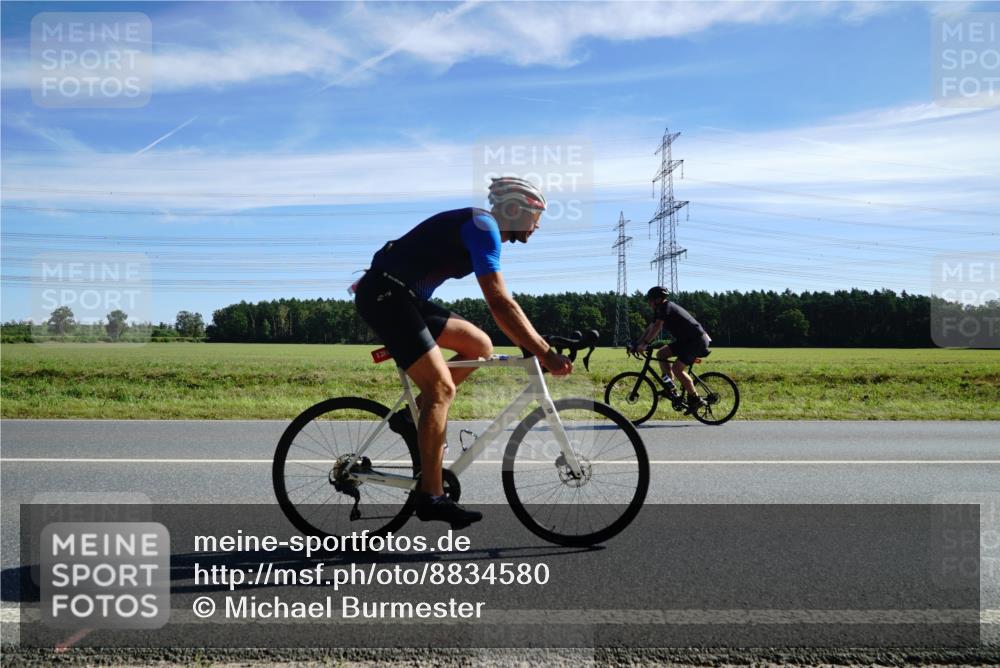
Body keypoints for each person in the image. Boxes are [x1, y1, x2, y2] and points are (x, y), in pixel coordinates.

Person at [353, 176, 573, 529]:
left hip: (403, 296)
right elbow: (500, 302)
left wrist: (531, 343)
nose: (539, 224)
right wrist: (544, 352)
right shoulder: (483, 227)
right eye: (537, 214)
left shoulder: (483, 228)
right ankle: (432, 497)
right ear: (516, 210)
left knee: (480, 345)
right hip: (386, 297)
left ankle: (416, 417)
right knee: (441, 388)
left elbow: (501, 310)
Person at [633, 286, 712, 414]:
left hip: (697, 340)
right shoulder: (659, 309)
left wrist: (646, 343)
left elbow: (658, 326)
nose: (648, 302)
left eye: (650, 300)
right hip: (686, 341)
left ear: (658, 300)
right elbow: (650, 327)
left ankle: (696, 399)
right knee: (661, 354)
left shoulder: (666, 307)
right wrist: (638, 343)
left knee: (677, 368)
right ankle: (671, 386)